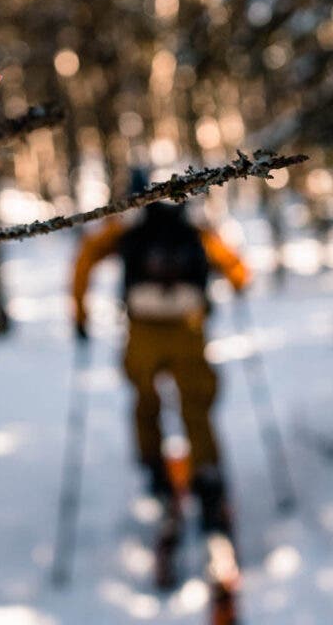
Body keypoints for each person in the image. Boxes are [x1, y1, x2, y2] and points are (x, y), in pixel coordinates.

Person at [72, 175, 249, 537]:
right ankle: (208, 480)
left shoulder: (126, 225)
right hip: (188, 327)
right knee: (196, 406)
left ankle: (157, 475)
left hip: (143, 331)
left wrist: (80, 313)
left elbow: (86, 259)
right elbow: (236, 268)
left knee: (145, 401)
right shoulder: (193, 224)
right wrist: (237, 283)